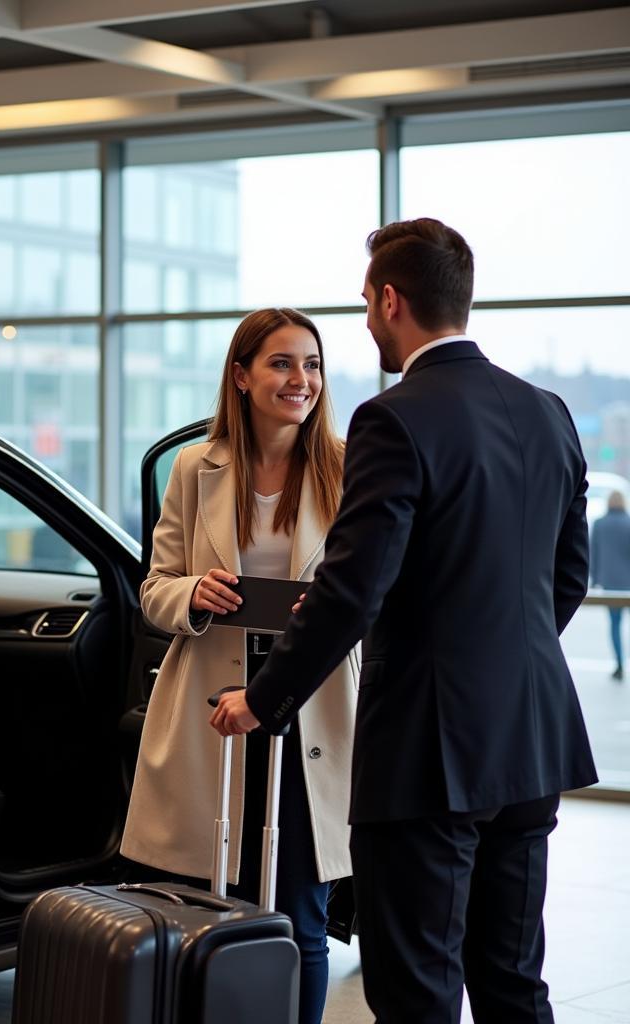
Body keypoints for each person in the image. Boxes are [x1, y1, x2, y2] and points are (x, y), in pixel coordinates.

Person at [211, 219, 598, 1023]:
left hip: (428, 750)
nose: (362, 322)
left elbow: (355, 589)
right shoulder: (548, 412)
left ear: (391, 300)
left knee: (416, 989)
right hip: (530, 739)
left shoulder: (395, 417)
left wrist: (265, 697)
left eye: (364, 303)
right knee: (513, 983)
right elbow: (567, 578)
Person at [121, 307, 358, 1024]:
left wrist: (326, 606)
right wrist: (194, 592)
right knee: (211, 908)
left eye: (311, 364)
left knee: (302, 918)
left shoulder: (347, 465)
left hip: (307, 708)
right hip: (214, 710)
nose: (301, 379)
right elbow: (154, 588)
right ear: (241, 376)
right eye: (282, 363)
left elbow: (378, 590)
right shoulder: (197, 467)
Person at [590, 490, 630, 680]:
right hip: (628, 583)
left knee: (615, 624)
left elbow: (593, 553)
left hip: (610, 584)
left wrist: (595, 578)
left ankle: (620, 664)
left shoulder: (600, 524)